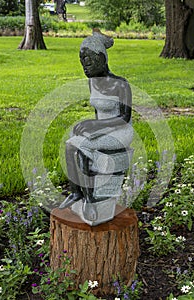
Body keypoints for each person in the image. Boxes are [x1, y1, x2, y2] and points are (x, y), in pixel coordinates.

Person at [59, 29, 133, 220]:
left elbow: (124, 117)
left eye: (89, 62)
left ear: (102, 58)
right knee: (70, 144)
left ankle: (90, 201)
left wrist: (94, 126)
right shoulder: (92, 82)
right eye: (83, 63)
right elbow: (97, 113)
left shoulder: (120, 85)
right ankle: (76, 192)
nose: (85, 67)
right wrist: (88, 127)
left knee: (83, 148)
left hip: (120, 131)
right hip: (102, 129)